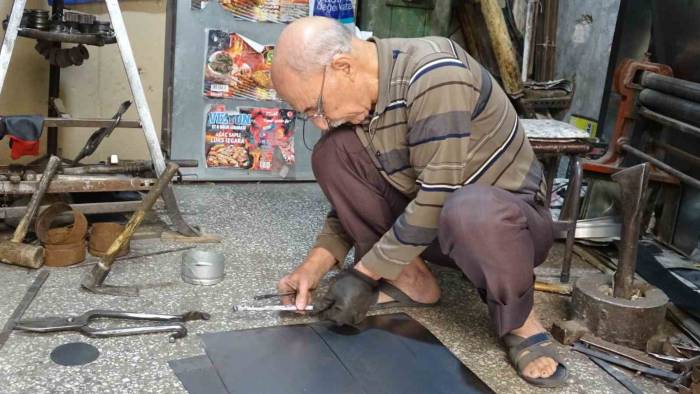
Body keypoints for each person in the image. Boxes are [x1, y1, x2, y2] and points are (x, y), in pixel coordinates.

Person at [271, 16, 568, 387]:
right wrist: (315, 264)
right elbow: (359, 197)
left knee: (469, 209)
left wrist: (362, 275)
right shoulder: (367, 101)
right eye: (307, 115)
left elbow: (438, 196)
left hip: (506, 231)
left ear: (343, 66)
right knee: (333, 152)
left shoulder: (435, 74)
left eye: (315, 107)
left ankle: (520, 321)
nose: (319, 122)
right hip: (439, 227)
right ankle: (411, 278)